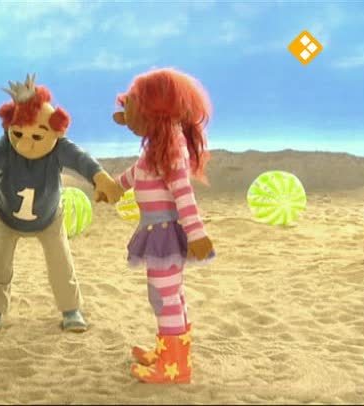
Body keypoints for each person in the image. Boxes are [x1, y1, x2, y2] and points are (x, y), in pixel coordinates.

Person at [0, 74, 124, 333]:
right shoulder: (7, 146)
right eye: (18, 133)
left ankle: (71, 309)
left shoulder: (59, 148)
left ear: (56, 131)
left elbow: (82, 160)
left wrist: (100, 177)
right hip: (6, 216)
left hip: (49, 219)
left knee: (61, 263)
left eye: (37, 136)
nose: (25, 143)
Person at [112, 68, 215, 384]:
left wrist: (197, 234)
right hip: (156, 231)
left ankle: (174, 366)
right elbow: (138, 171)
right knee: (171, 294)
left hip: (164, 234)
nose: (125, 113)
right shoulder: (158, 144)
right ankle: (171, 352)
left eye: (132, 106)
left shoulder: (172, 147)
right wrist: (116, 186)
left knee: (163, 296)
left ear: (154, 110)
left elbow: (183, 193)